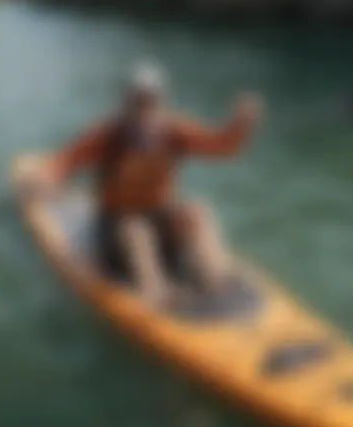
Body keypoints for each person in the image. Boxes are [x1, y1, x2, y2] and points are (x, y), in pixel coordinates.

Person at [41, 63, 264, 308]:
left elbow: (222, 146)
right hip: (116, 231)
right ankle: (156, 293)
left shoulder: (174, 130)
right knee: (137, 229)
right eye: (139, 100)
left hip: (159, 218)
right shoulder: (109, 135)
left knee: (195, 210)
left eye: (151, 99)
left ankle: (217, 279)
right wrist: (48, 182)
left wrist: (241, 126)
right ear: (127, 101)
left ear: (161, 100)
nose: (145, 107)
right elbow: (64, 162)